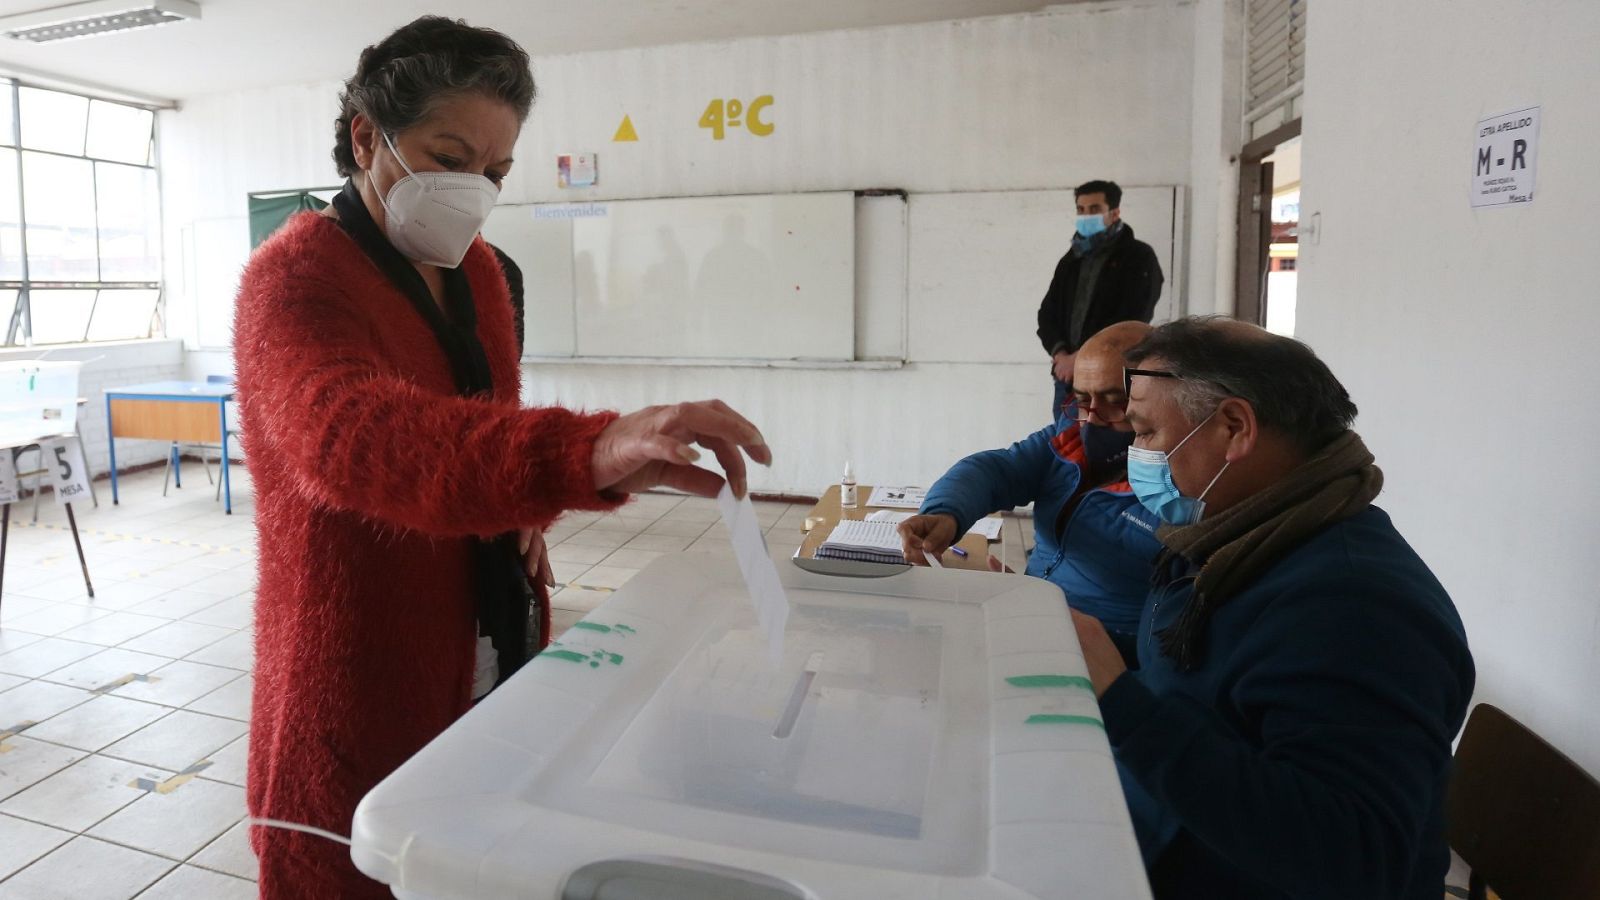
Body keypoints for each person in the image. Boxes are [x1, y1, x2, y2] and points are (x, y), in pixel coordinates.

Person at [232, 18, 770, 898]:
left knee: (471, 851)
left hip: (485, 618)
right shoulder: (293, 280)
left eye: (496, 172)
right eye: (449, 156)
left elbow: (484, 423)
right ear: (368, 136)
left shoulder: (480, 270)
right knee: (357, 861)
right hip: (359, 652)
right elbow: (350, 439)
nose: (473, 189)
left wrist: (525, 505)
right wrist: (581, 450)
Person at [1069, 317, 1474, 899]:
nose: (1136, 455)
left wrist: (1122, 705)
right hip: (1168, 832)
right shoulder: (1232, 538)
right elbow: (1211, 672)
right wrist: (1083, 644)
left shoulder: (1355, 607)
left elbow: (1357, 859)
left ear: (1235, 428)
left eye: (1148, 432)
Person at [898, 322, 1160, 661]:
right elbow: (996, 470)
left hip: (1101, 661)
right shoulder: (1067, 439)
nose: (1092, 419)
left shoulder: (1176, 493)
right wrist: (945, 513)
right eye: (1082, 400)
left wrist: (1046, 619)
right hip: (1031, 624)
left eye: (1115, 402)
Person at [1037, 179, 1164, 416]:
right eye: (1081, 210)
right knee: (1064, 445)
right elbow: (1047, 313)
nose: (1086, 216)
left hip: (1109, 382)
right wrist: (1061, 355)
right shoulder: (1071, 260)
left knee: (1099, 446)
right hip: (1066, 377)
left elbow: (1131, 320)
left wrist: (1082, 358)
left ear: (1114, 213)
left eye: (1094, 209)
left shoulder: (1138, 257)